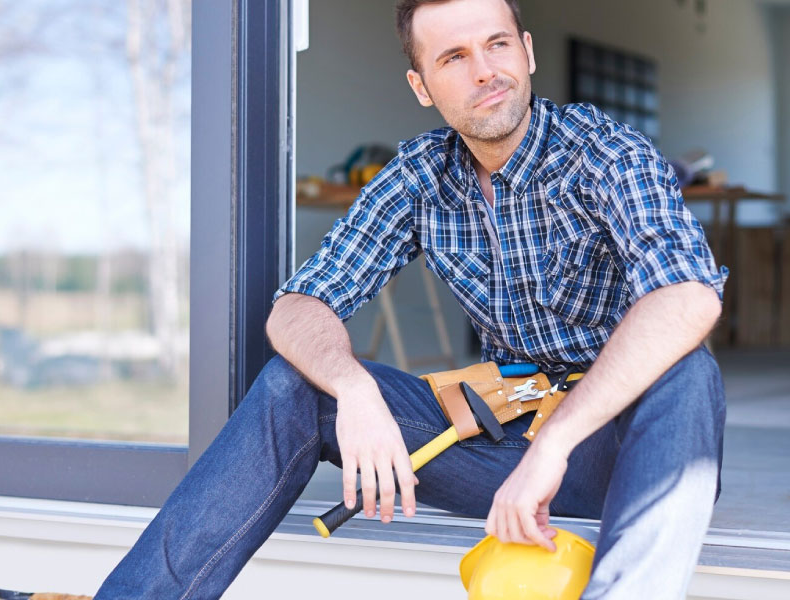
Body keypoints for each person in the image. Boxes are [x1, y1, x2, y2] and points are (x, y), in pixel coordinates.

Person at [95, 0, 727, 597]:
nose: (485, 72)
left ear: (527, 52)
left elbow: (688, 298)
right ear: (422, 85)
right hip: (503, 436)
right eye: (453, 58)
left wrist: (557, 444)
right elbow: (297, 307)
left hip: (612, 451)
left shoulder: (608, 154)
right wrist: (353, 388)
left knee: (689, 372)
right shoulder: (421, 176)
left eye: (497, 44)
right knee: (297, 382)